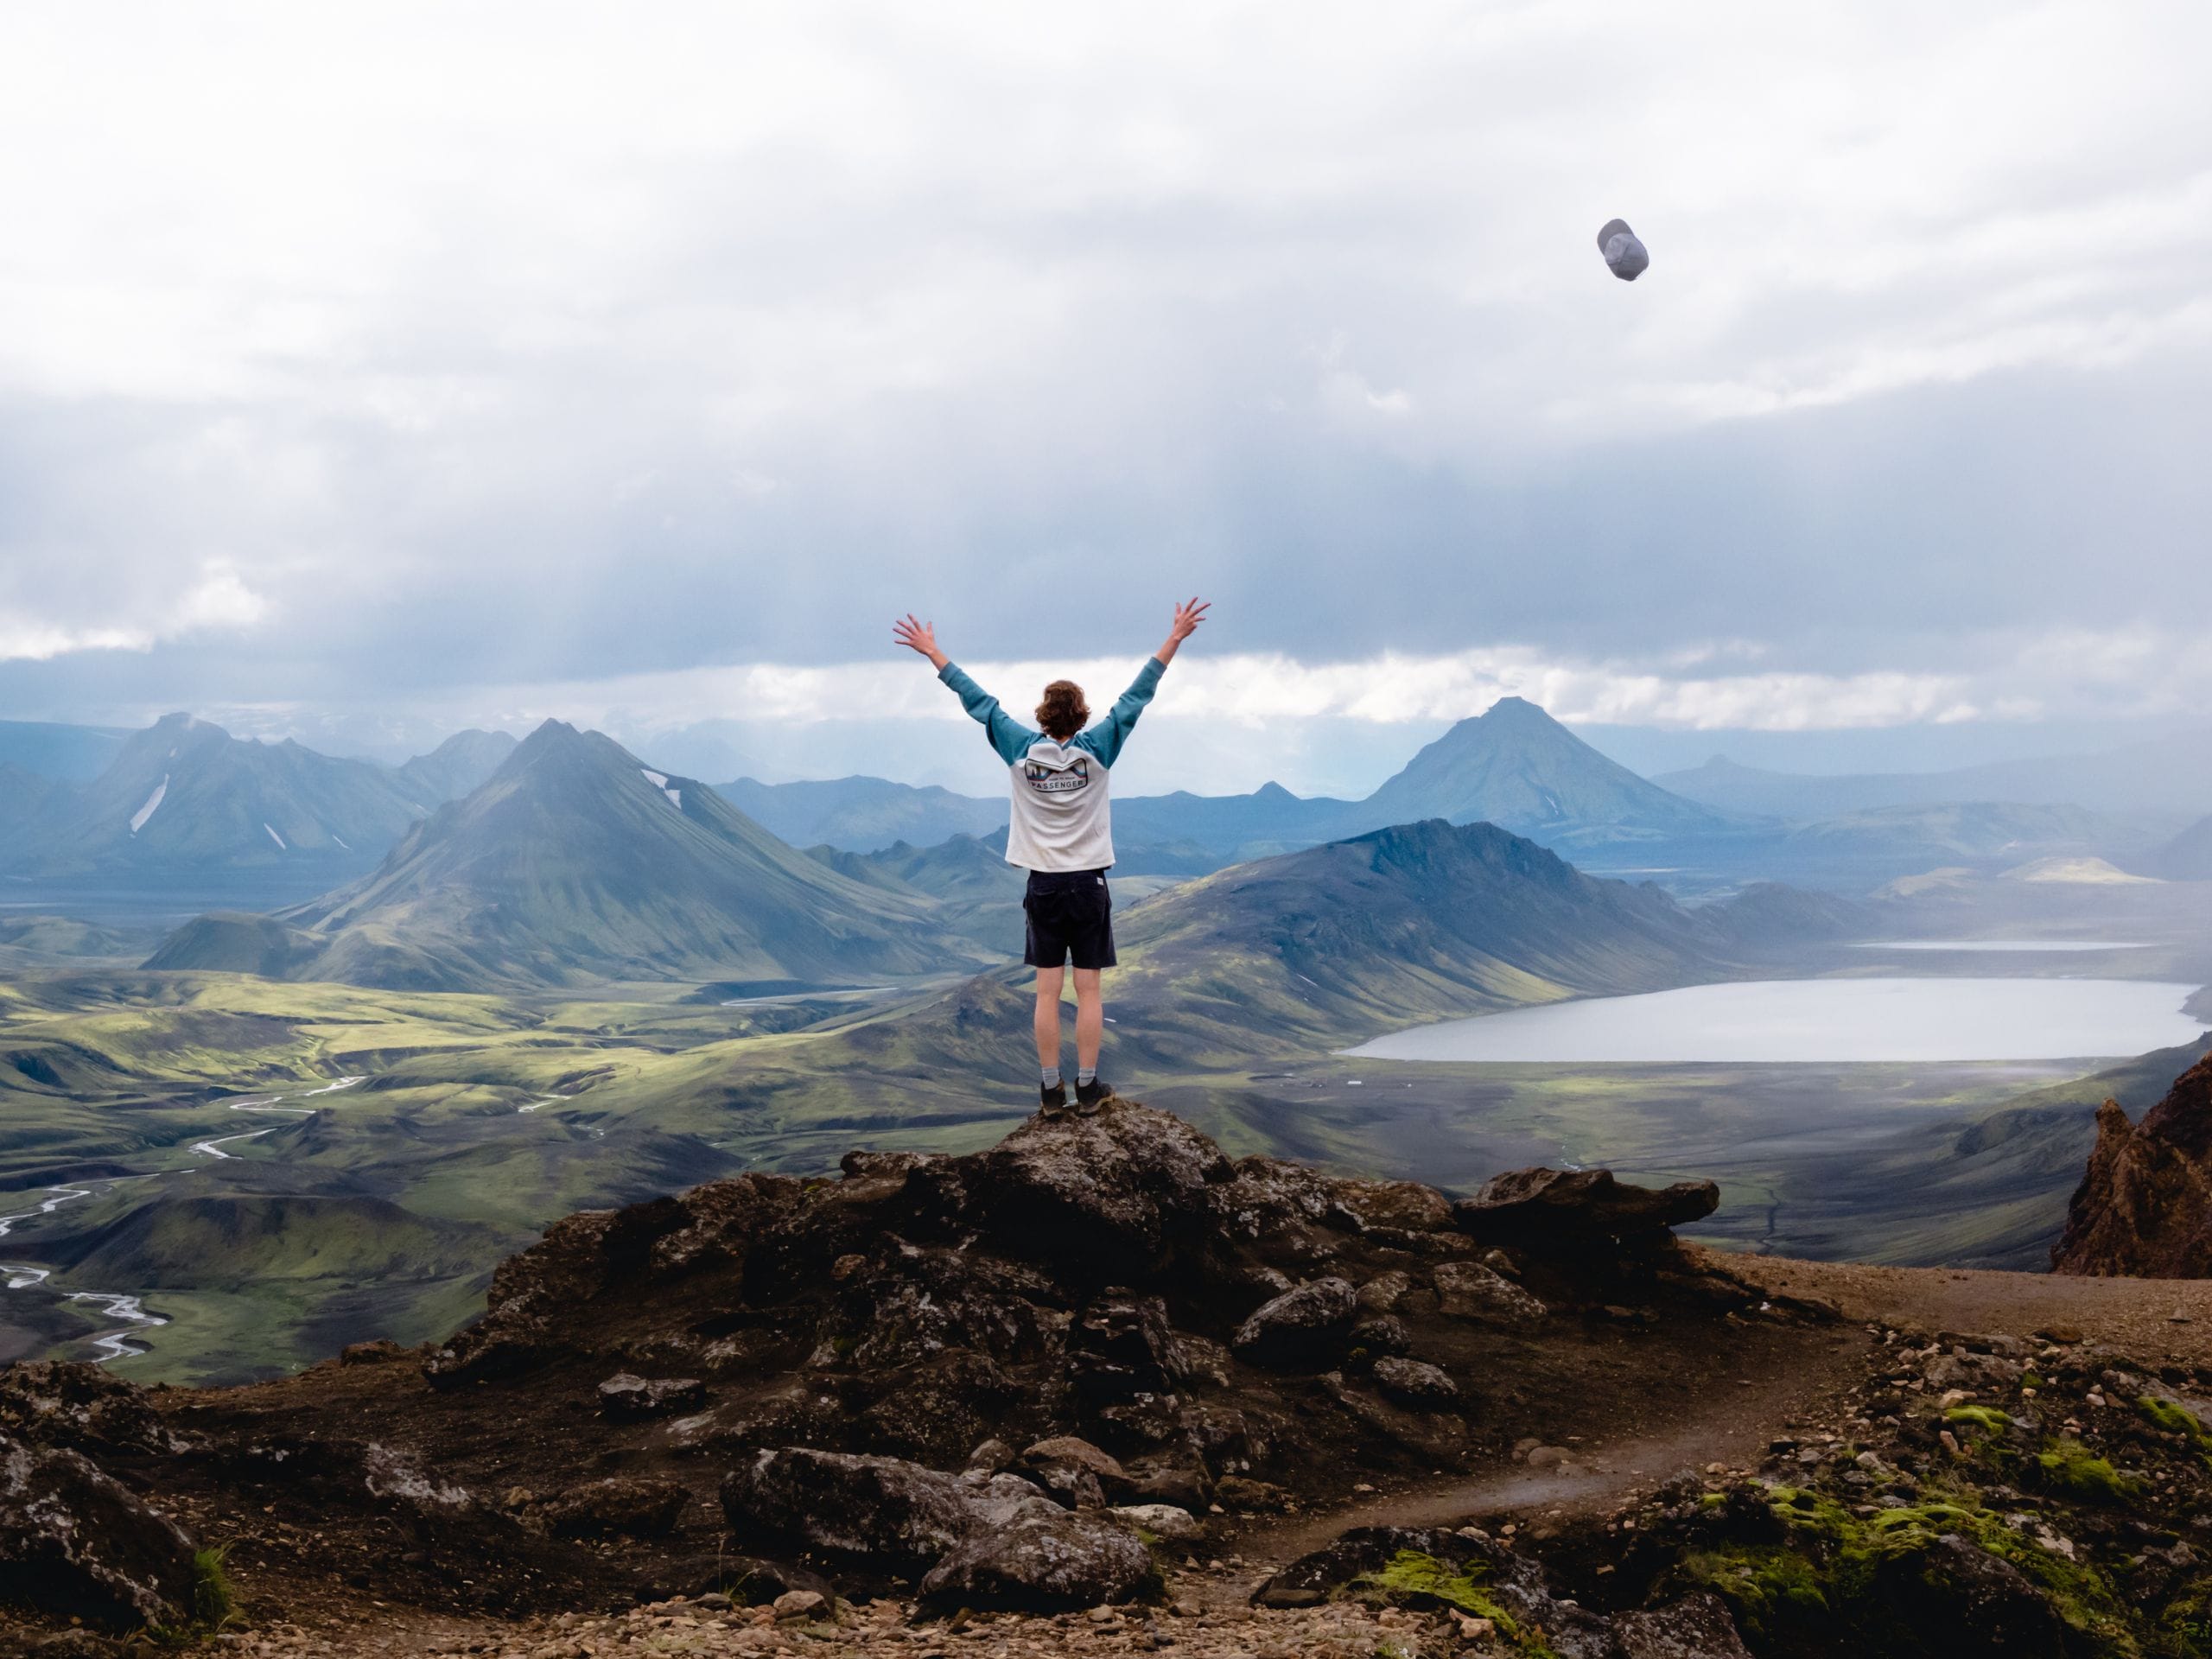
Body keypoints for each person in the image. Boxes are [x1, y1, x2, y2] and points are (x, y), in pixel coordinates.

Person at [893, 598, 1210, 1115]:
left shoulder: (1020, 751)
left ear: (1043, 715)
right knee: (1088, 992)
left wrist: (934, 653)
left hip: (1042, 885)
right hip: (1089, 885)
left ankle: (1049, 1091)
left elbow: (980, 703)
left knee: (1046, 994)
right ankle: (1087, 1088)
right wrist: (1174, 637)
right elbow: (1137, 697)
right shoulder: (1100, 748)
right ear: (1082, 715)